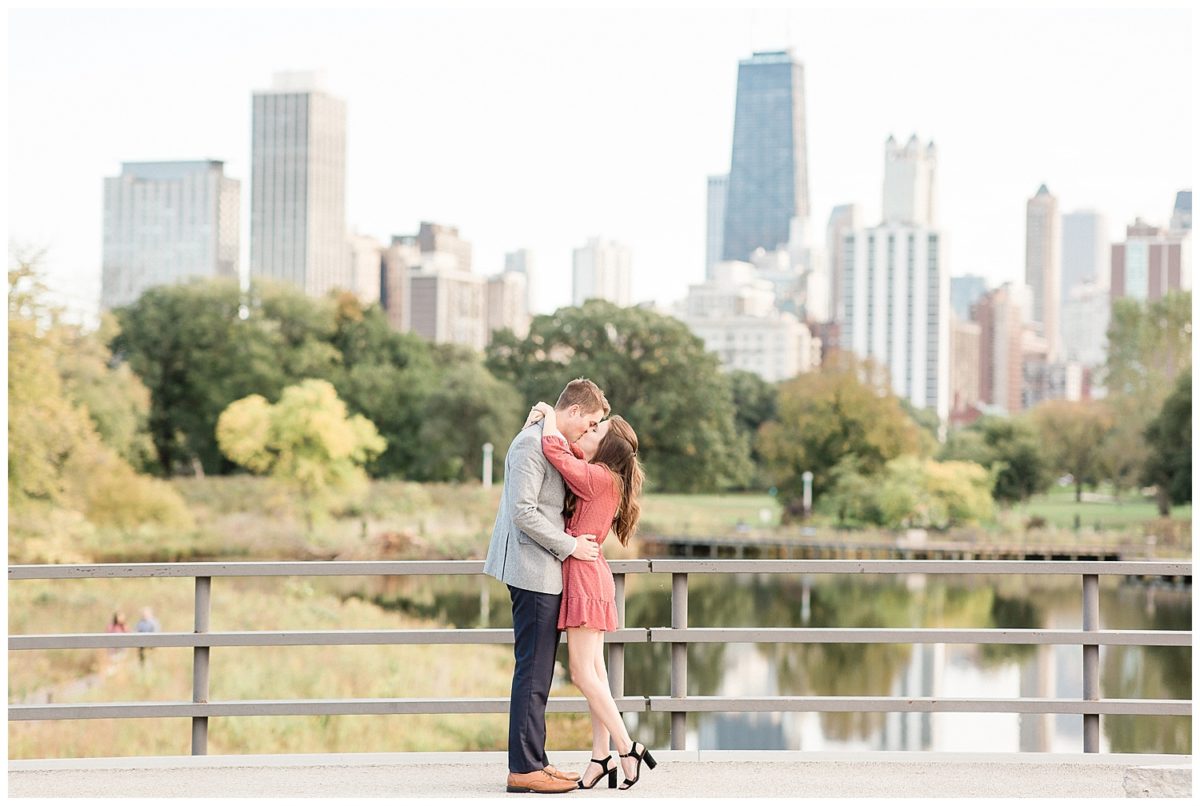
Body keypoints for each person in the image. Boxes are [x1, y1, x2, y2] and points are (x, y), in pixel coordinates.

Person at [482, 378, 609, 795]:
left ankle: (536, 760)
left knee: (539, 674)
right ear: (573, 411)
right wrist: (571, 545)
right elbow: (522, 512)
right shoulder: (529, 444)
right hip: (531, 571)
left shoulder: (547, 435)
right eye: (589, 422)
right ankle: (523, 769)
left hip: (544, 570)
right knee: (532, 673)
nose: (588, 432)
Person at [525, 402, 656, 791]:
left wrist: (549, 413)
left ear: (607, 450)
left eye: (596, 432)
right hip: (591, 574)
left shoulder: (598, 477)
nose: (587, 432)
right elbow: (568, 448)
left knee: (583, 674)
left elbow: (554, 449)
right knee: (596, 674)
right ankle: (601, 757)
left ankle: (628, 747)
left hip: (584, 577)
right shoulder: (604, 474)